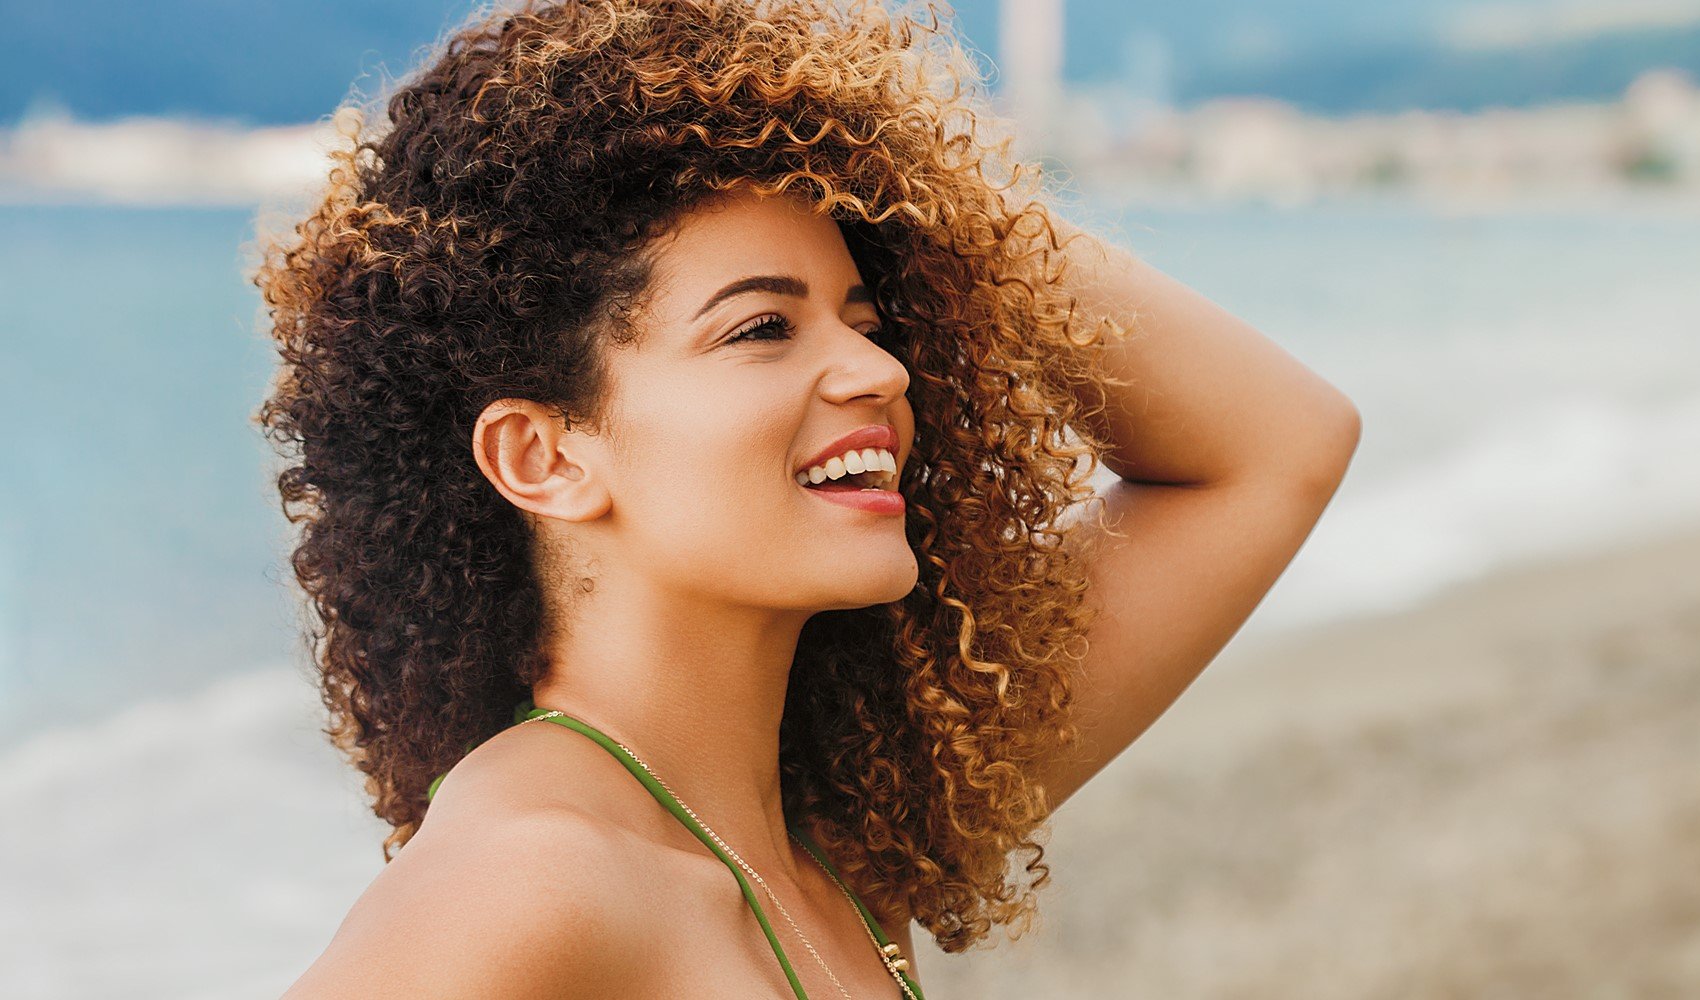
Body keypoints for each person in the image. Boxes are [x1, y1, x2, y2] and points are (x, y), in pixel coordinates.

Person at [258, 0, 1361, 996]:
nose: (879, 374)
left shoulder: (838, 831)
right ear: (544, 458)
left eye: (869, 323)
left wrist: (905, 181)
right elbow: (1273, 449)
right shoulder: (532, 879)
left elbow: (1279, 444)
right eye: (762, 327)